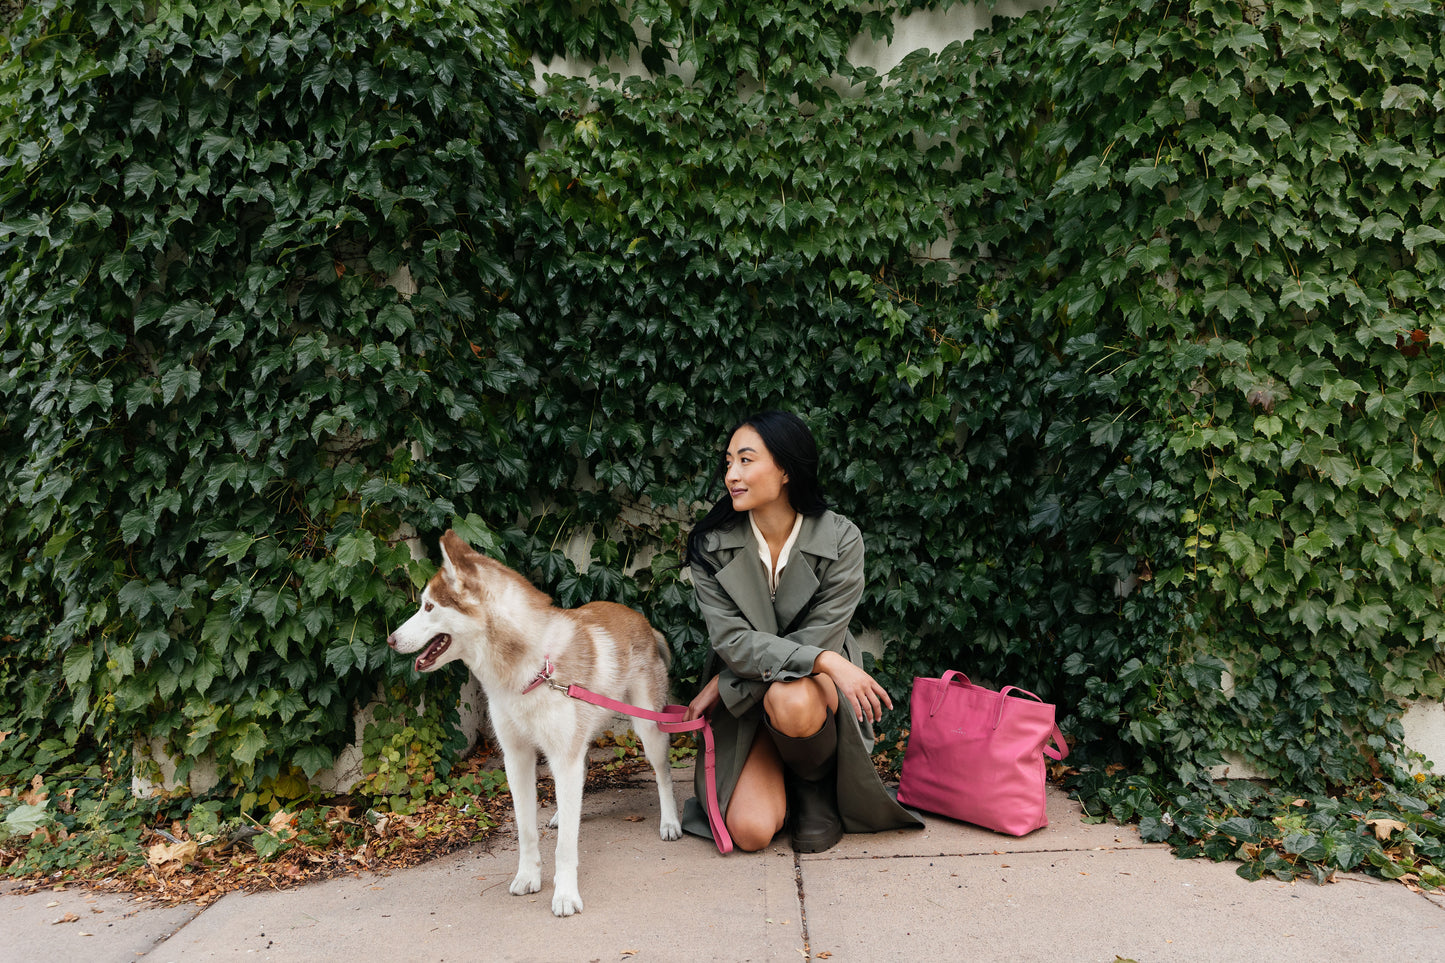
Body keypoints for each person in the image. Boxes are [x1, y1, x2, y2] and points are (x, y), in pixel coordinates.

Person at [680, 410, 923, 853]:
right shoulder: (710, 545)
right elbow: (732, 641)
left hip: (806, 695)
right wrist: (827, 661)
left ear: (787, 469)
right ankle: (786, 777)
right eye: (728, 462)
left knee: (788, 695)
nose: (732, 474)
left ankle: (814, 790)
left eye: (746, 461)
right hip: (755, 704)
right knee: (751, 833)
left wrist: (733, 679)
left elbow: (821, 636)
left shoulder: (841, 539)